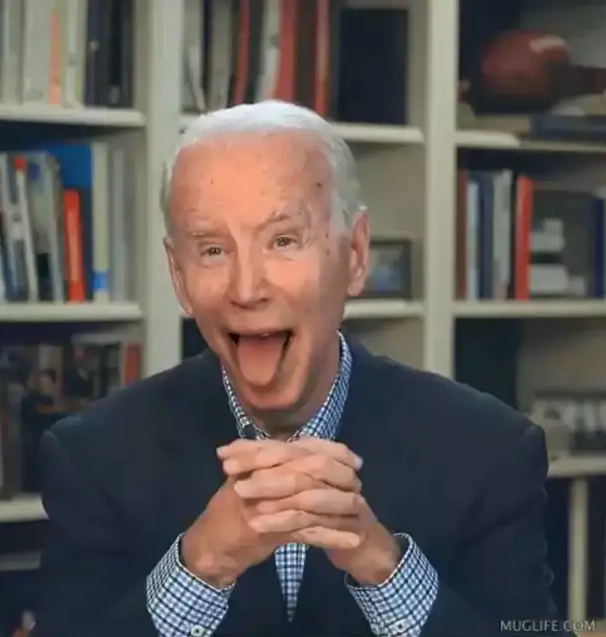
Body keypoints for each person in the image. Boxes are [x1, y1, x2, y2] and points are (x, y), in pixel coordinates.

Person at [34, 100, 569, 637]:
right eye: (213, 250)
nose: (246, 289)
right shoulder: (93, 458)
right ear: (178, 277)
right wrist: (200, 566)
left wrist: (382, 567)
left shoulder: (489, 451)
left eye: (283, 241)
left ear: (355, 255)